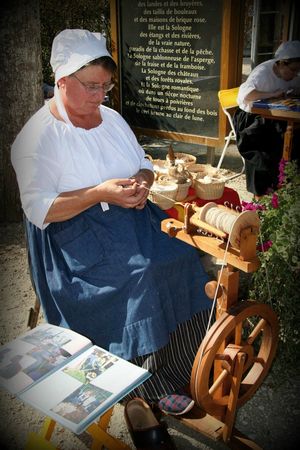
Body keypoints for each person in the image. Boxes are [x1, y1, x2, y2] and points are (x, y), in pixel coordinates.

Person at [11, 29, 212, 415]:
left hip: (131, 218)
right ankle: (149, 386)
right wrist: (99, 193)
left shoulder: (113, 119)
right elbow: (40, 210)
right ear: (62, 81)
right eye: (91, 87)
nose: (100, 96)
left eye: (106, 86)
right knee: (142, 277)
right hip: (72, 236)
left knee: (183, 255)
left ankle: (186, 364)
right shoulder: (37, 137)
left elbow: (143, 162)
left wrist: (142, 182)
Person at [233, 40, 300, 197]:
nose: (295, 75)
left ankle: (284, 186)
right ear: (282, 63)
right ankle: (262, 193)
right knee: (264, 152)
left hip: (276, 119)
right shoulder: (262, 72)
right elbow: (245, 95)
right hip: (252, 120)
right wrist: (272, 94)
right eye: (293, 70)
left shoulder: (292, 74)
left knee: (293, 142)